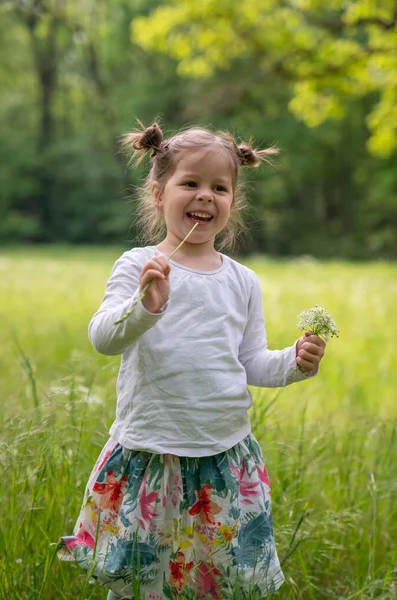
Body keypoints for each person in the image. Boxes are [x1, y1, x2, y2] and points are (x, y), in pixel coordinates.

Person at [59, 122, 326, 599]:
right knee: (142, 580)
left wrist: (295, 363)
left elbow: (252, 362)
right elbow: (103, 338)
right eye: (191, 183)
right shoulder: (139, 264)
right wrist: (146, 305)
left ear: (233, 202)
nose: (205, 196)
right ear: (159, 193)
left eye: (219, 188)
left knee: (217, 582)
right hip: (152, 453)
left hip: (224, 456)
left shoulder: (242, 281)